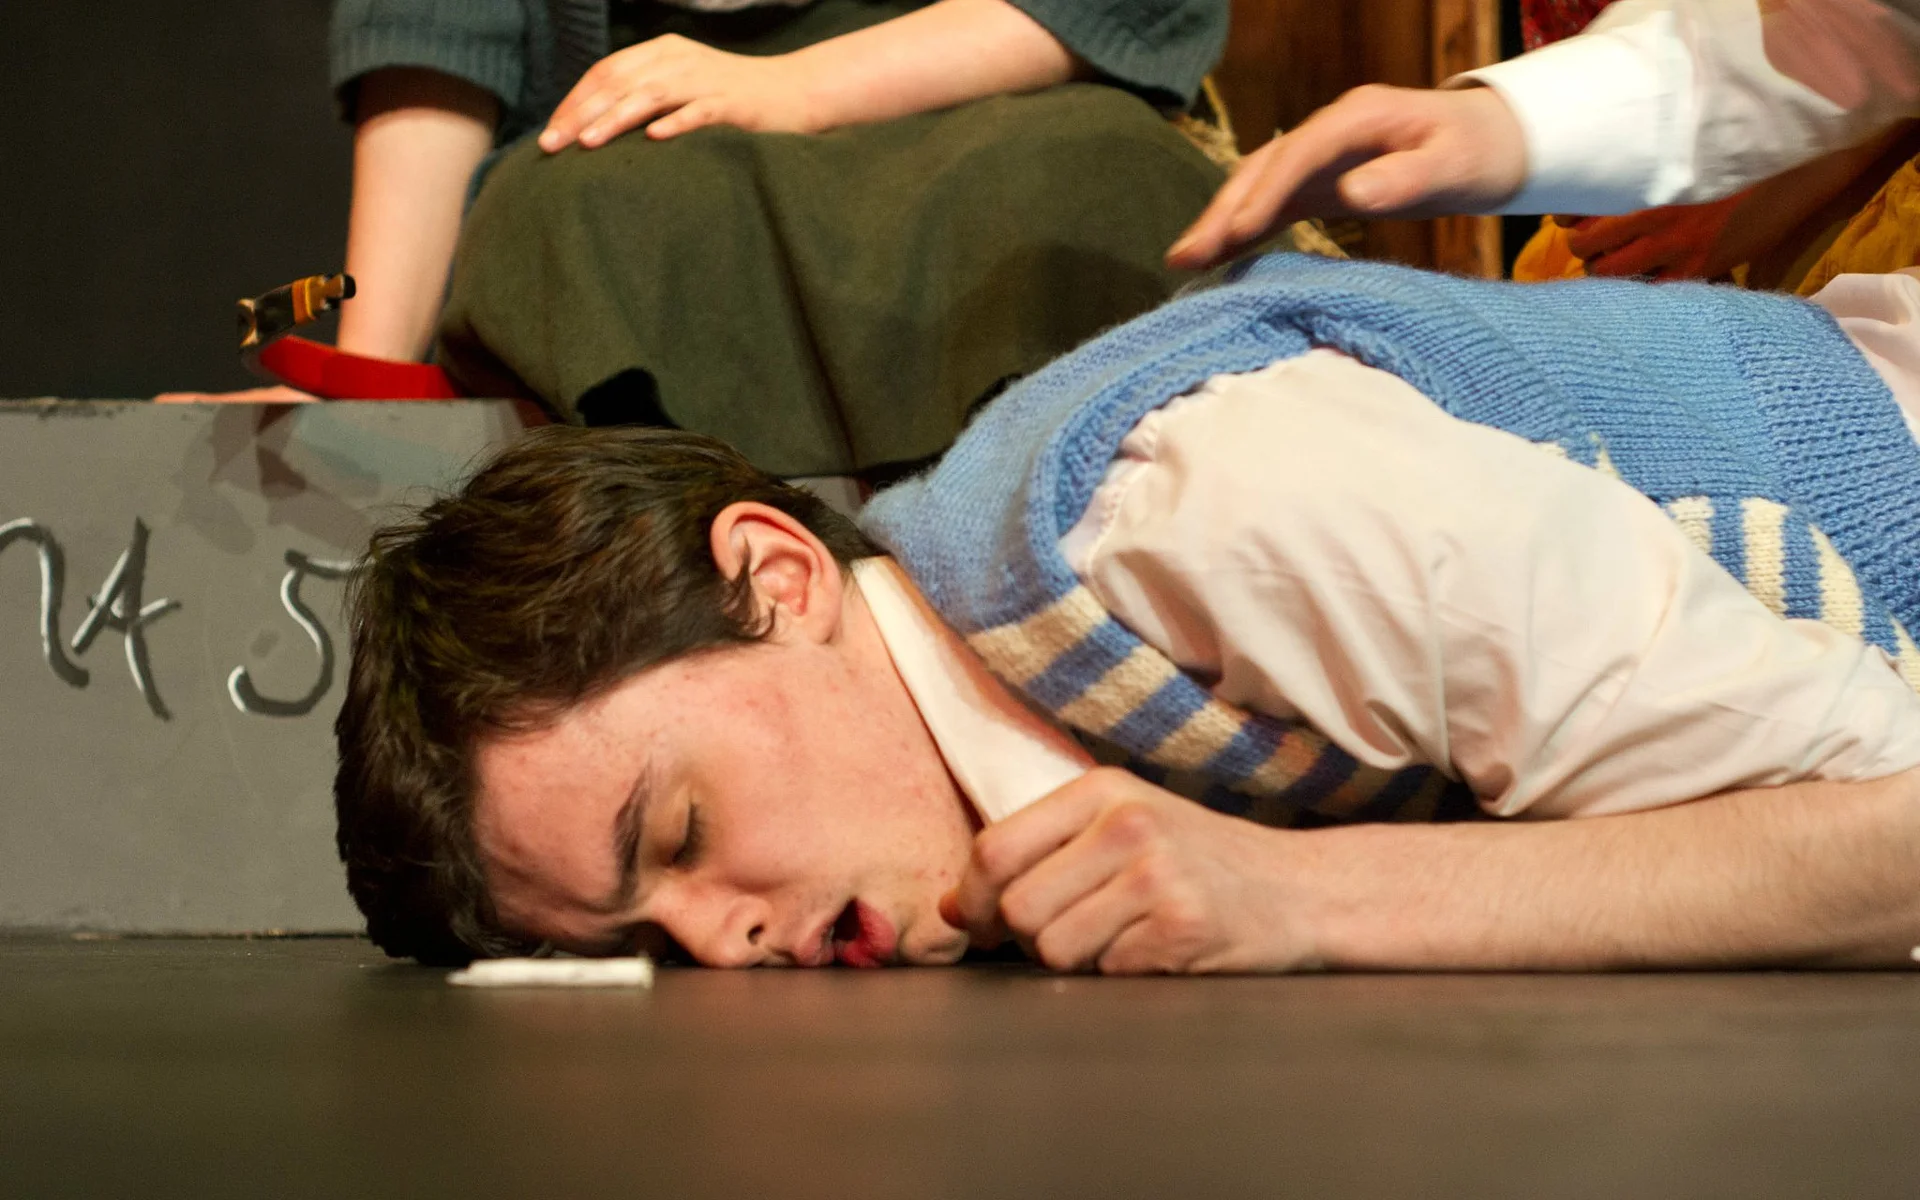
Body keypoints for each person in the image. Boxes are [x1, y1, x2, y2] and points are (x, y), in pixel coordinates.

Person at [335, 250, 1920, 973]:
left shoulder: (1211, 509)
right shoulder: (1028, 741)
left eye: (679, 835)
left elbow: (1892, 838)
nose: (719, 942)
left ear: (780, 578)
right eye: (649, 945)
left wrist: (1308, 903)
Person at [295, 0, 1237, 479]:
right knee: (560, 213)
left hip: (977, 74)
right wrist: (367, 375)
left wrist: (801, 87)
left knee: (1096, 172)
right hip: (652, 108)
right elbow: (439, 36)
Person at [1167, 0, 1920, 272]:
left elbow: (1874, 35)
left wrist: (1787, 163)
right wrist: (1512, 121)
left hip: (1829, 188)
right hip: (1659, 125)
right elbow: (1861, 27)